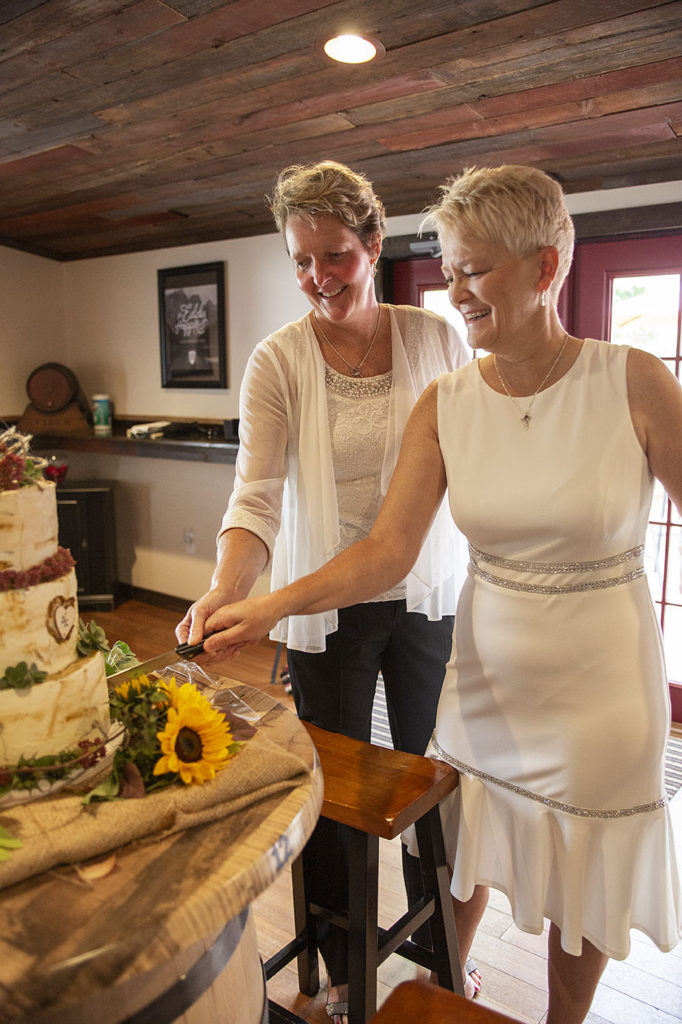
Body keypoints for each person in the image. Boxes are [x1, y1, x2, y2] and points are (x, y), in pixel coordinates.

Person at [186, 164, 682, 1024]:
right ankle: (432, 991)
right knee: (455, 839)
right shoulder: (441, 401)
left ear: (547, 264)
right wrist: (259, 602)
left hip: (597, 685)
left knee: (583, 875)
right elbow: (376, 546)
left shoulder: (634, 381)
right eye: (449, 270)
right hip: (481, 675)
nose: (456, 291)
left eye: (474, 270)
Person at [176, 160, 470, 1022]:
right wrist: (228, 590)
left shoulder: (436, 339)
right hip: (318, 608)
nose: (317, 280)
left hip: (427, 596)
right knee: (333, 794)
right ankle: (343, 964)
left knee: (432, 777)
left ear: (373, 245)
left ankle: (429, 954)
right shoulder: (277, 360)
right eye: (301, 262)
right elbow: (255, 496)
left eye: (334, 257)